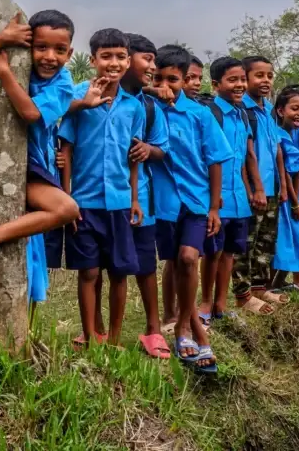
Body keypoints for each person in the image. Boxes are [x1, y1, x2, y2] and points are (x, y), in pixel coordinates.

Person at [0, 10, 80, 295]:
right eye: (41, 47)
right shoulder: (12, 55)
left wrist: (3, 72)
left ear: (70, 53)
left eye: (59, 50)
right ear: (28, 45)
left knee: (67, 209)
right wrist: (2, 39)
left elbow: (31, 113)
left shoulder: (62, 84)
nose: (50, 56)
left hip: (30, 162)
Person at [58, 28, 145, 349]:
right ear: (93, 60)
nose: (113, 62)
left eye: (120, 56)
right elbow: (65, 151)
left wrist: (135, 198)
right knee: (89, 273)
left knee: (119, 273)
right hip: (83, 202)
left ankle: (115, 338)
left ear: (128, 61)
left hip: (120, 202)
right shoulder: (79, 99)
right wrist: (66, 200)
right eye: (105, 56)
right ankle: (92, 335)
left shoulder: (133, 106)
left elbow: (134, 154)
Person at [151, 46, 231, 373]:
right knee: (173, 261)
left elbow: (215, 160)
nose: (166, 84)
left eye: (173, 79)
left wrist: (214, 206)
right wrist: (152, 91)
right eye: (158, 78)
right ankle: (186, 324)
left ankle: (188, 326)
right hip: (165, 203)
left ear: (186, 79)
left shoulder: (199, 115)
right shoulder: (147, 110)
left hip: (197, 200)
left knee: (188, 257)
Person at [198, 57, 262, 325]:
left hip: (239, 199)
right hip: (219, 197)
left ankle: (221, 305)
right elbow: (205, 158)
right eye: (232, 80)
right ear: (215, 84)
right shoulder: (211, 114)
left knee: (229, 254)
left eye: (242, 80)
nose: (239, 85)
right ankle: (205, 303)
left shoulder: (243, 115)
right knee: (212, 252)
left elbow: (248, 155)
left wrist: (255, 189)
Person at [121, 34, 171, 359]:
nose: (152, 66)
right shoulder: (97, 98)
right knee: (100, 269)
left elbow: (163, 148)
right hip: (101, 197)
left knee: (145, 265)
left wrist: (148, 149)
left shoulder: (149, 107)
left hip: (141, 197)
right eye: (147, 59)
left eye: (153, 60)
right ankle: (98, 330)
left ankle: (154, 329)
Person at [233, 56, 289, 313]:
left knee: (266, 241)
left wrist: (283, 186)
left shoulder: (266, 109)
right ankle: (242, 294)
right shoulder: (242, 110)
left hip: (273, 188)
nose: (265, 80)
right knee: (246, 243)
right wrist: (252, 188)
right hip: (255, 190)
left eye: (269, 75)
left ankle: (259, 287)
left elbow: (276, 148)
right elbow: (244, 155)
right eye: (259, 75)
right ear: (245, 78)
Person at [271, 86, 299, 289]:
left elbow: (297, 170)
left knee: (292, 239)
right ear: (281, 111)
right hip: (284, 198)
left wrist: (297, 200)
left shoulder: (291, 134)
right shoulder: (279, 135)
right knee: (285, 242)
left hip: (291, 198)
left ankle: (280, 282)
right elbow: (287, 175)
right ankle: (270, 285)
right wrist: (295, 203)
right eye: (295, 109)